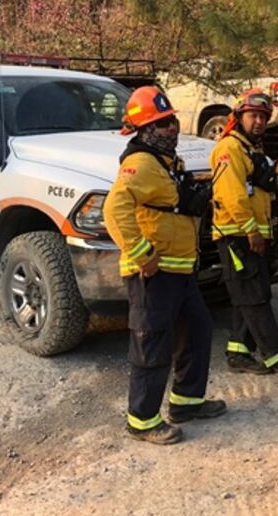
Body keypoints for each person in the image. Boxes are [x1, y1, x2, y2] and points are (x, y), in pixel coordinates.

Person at [104, 86, 226, 445]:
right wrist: (142, 254)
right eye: (161, 124)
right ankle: (141, 420)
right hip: (154, 275)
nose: (171, 129)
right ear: (143, 132)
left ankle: (186, 401)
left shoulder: (166, 163)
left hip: (180, 271)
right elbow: (115, 210)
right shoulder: (139, 164)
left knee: (197, 331)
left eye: (171, 121)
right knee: (152, 344)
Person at [210, 88, 278, 375]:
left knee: (249, 294)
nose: (258, 123)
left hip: (251, 234)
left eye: (263, 118)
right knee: (255, 297)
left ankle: (238, 351)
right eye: (253, 116)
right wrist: (251, 230)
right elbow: (233, 196)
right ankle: (276, 355)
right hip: (238, 236)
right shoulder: (229, 149)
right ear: (239, 116)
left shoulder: (250, 149)